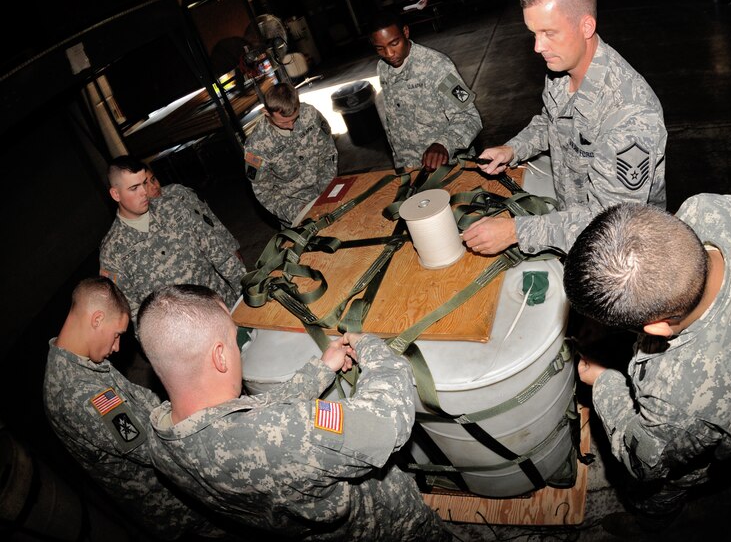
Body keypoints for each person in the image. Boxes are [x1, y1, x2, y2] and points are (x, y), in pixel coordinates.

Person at [138, 284, 449, 541]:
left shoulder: (161, 441)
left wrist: (319, 371)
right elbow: (387, 423)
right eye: (233, 340)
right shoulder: (285, 434)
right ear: (220, 356)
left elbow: (256, 416)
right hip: (384, 525)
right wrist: (372, 349)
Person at [562, 194, 731, 532]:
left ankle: (652, 523)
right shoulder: (713, 208)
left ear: (657, 328)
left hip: (709, 427)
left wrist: (605, 380)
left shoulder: (680, 399)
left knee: (656, 495)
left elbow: (644, 463)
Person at [464, 0, 667, 255]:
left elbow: (613, 224)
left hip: (619, 255)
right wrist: (512, 149)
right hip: (569, 222)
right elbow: (552, 122)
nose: (538, 47)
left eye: (548, 33)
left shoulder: (631, 115)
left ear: (586, 27)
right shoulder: (561, 68)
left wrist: (516, 231)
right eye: (533, 34)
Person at [42, 277, 222, 540]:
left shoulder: (75, 359)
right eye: (117, 335)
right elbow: (153, 446)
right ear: (96, 319)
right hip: (174, 506)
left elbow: (140, 402)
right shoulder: (80, 393)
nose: (116, 347)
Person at [99, 155, 245, 320]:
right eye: (134, 188)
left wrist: (247, 293)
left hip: (225, 309)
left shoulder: (175, 207)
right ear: (116, 194)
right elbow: (133, 314)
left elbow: (221, 255)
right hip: (183, 337)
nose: (144, 192)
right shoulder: (112, 252)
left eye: (144, 183)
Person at [369, 10, 482, 171]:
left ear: (406, 32)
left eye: (394, 43)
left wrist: (443, 144)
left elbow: (470, 117)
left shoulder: (438, 66)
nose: (389, 54)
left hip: (448, 167)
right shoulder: (383, 68)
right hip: (410, 168)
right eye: (380, 48)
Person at [243, 82, 338, 226]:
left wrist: (327, 193)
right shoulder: (256, 146)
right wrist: (299, 212)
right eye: (283, 122)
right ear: (266, 113)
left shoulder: (310, 114)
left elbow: (328, 153)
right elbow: (264, 193)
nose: (291, 126)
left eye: (294, 118)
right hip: (295, 210)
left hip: (326, 191)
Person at [143, 162, 242, 262]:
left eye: (153, 179)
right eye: (145, 184)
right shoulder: (143, 219)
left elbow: (209, 219)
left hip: (219, 255)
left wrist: (232, 247)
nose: (154, 186)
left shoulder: (177, 192)